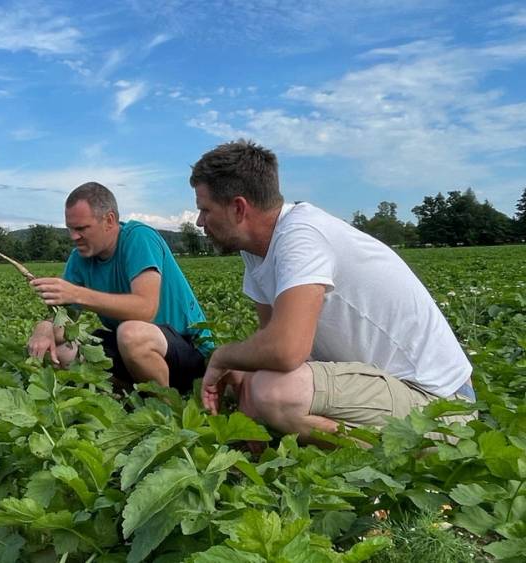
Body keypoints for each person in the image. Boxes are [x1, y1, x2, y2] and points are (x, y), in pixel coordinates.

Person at [190, 139, 474, 443]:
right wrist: (245, 374)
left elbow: (285, 350)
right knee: (253, 382)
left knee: (272, 392)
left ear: (238, 208)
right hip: (384, 384)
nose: (200, 222)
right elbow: (270, 343)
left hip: (440, 405)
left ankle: (396, 457)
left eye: (205, 210)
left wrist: (224, 357)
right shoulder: (256, 250)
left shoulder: (302, 235)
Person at [27, 182, 213, 393]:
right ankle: (132, 398)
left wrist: (77, 294)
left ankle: (166, 408)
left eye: (81, 229)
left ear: (109, 220)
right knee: (60, 352)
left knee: (130, 333)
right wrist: (43, 329)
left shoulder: (138, 237)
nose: (73, 236)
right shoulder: (79, 258)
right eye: (70, 228)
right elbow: (64, 325)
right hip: (132, 353)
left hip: (188, 349)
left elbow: (146, 308)